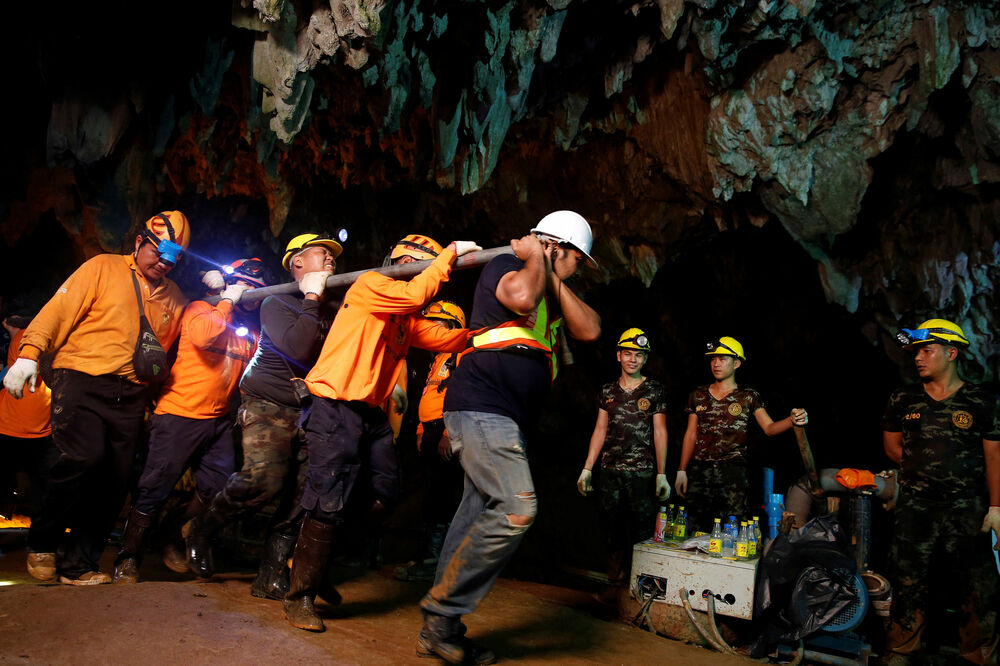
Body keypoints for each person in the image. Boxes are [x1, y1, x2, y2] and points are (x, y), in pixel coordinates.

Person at [419, 210, 601, 664]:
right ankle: (441, 612)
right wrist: (535, 257)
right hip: (482, 403)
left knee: (472, 516)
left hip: (504, 414)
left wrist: (551, 273)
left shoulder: (546, 284)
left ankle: (439, 631)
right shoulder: (506, 265)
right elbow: (520, 298)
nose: (578, 267)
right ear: (555, 246)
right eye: (577, 259)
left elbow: (590, 329)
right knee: (517, 508)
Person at [283, 234, 481, 632]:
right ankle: (299, 595)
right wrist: (448, 257)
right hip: (334, 403)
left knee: (385, 491)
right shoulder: (371, 284)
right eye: (420, 268)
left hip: (369, 413)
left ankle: (321, 567)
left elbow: (439, 336)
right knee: (327, 498)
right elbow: (414, 295)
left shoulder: (401, 317)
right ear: (405, 264)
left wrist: (490, 335)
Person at [4, 211, 191, 585]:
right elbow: (58, 310)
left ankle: (80, 565)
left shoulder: (174, 297)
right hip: (81, 378)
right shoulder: (103, 268)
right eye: (159, 253)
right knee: (81, 457)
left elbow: (168, 350)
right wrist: (29, 354)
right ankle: (43, 542)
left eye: (173, 259)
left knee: (115, 479)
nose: (164, 263)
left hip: (131, 393)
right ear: (139, 243)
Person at [185, 233, 342, 604]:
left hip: (310, 408)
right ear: (297, 262)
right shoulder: (277, 301)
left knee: (303, 494)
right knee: (264, 480)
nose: (331, 259)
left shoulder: (331, 305)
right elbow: (299, 347)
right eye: (322, 253)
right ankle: (202, 529)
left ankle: (271, 574)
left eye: (333, 255)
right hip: (266, 401)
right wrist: (312, 298)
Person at [112, 258, 267, 584]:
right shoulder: (200, 309)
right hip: (178, 415)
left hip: (217, 420)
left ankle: (169, 534)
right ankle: (129, 556)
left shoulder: (249, 331)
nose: (250, 294)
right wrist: (227, 301)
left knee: (218, 488)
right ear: (230, 285)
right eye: (245, 286)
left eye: (256, 289)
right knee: (155, 488)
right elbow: (203, 337)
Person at [882, 318, 999, 663]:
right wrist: (923, 471)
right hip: (916, 506)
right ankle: (901, 650)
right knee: (908, 579)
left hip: (967, 507)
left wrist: (996, 507)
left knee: (977, 584)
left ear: (951, 353)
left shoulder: (981, 401)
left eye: (927, 350)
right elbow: (892, 446)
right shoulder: (903, 398)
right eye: (916, 351)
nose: (918, 357)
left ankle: (978, 655)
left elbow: (994, 457)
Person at [674, 336, 807, 532]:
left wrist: (791, 420)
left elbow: (769, 428)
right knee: (696, 525)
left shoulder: (748, 396)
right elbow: (691, 434)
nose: (716, 364)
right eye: (713, 359)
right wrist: (682, 470)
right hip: (701, 470)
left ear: (736, 363)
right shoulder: (698, 395)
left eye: (722, 359)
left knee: (733, 526)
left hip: (733, 471)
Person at [577, 327, 669, 587]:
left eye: (639, 355)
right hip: (610, 470)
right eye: (628, 353)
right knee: (611, 527)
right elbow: (600, 430)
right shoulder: (608, 391)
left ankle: (640, 585)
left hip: (642, 471)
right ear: (618, 356)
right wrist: (587, 468)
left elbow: (660, 432)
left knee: (642, 530)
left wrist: (662, 474)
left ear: (645, 358)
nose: (633, 359)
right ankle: (614, 584)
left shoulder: (654, 390)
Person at [395, 300, 467, 582]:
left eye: (435, 323)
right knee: (431, 496)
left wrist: (449, 434)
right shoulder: (437, 359)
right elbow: (430, 397)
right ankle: (428, 555)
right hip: (431, 433)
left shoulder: (459, 355)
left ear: (453, 326)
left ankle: (435, 562)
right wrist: (420, 431)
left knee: (442, 497)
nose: (428, 329)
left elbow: (460, 396)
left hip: (445, 433)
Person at [0, 316, 52, 519]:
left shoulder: (22, 335)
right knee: (38, 489)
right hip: (15, 425)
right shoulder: (28, 338)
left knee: (38, 489)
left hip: (31, 427)